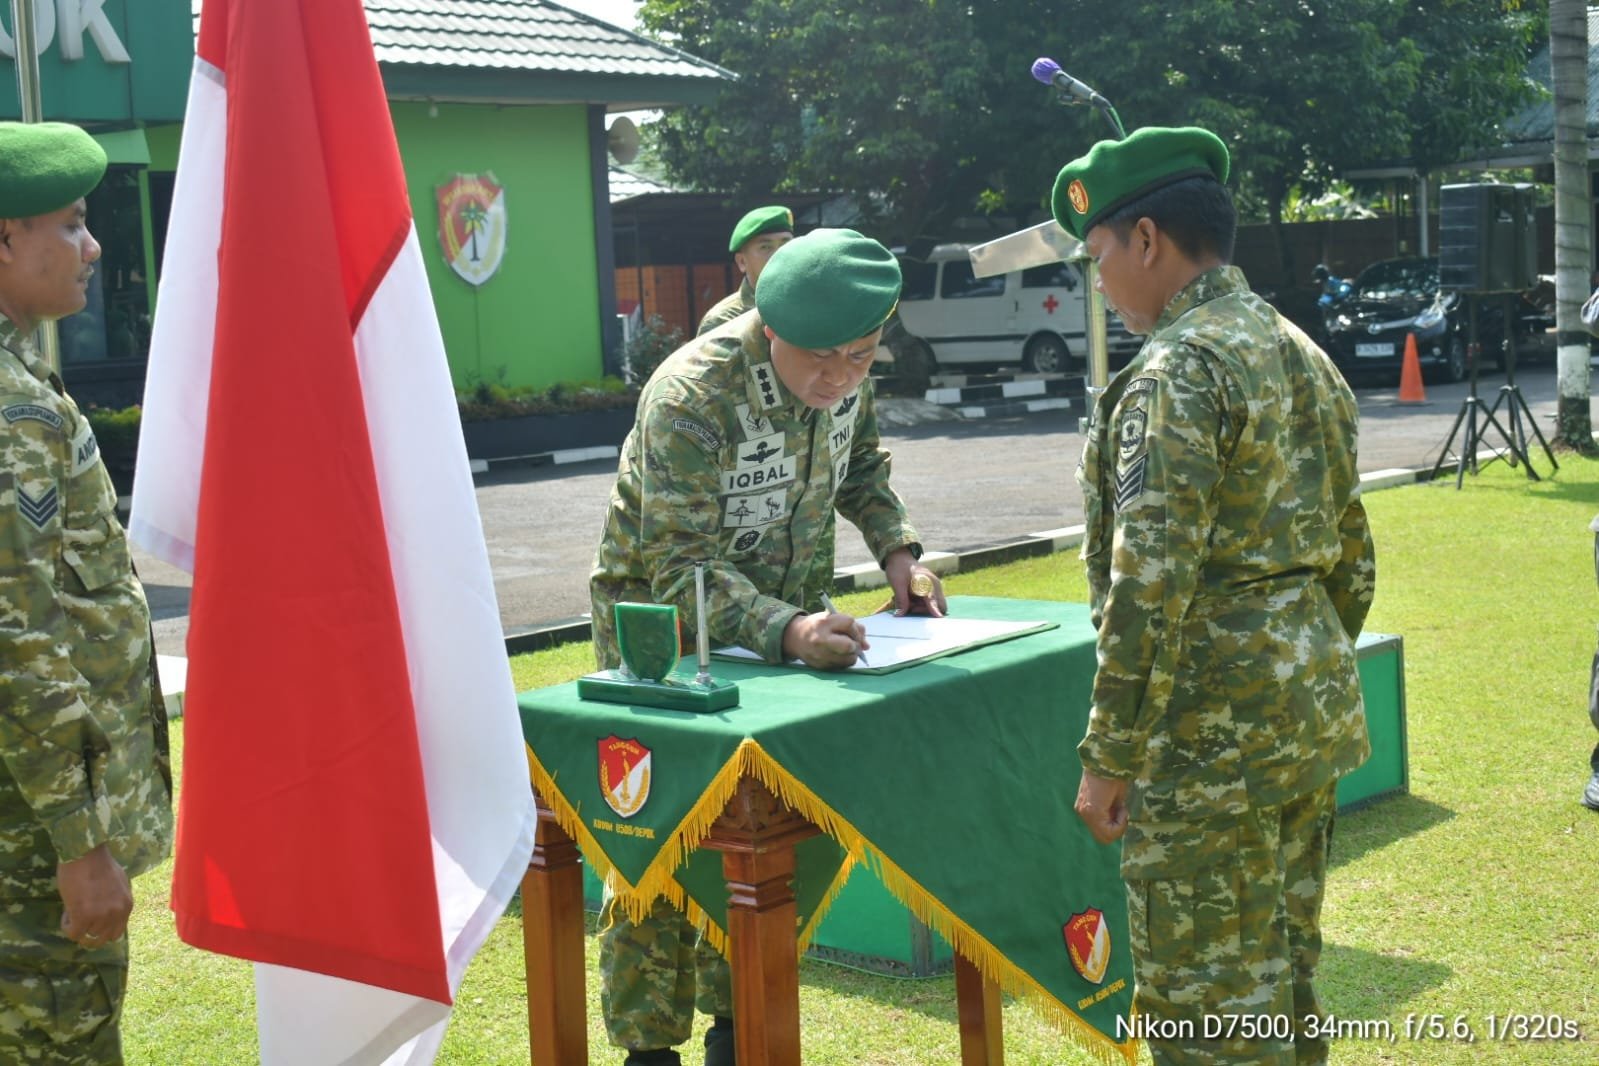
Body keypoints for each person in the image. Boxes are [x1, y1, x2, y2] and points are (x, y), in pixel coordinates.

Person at [1055, 127, 1375, 1065]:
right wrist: (1291, 664)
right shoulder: (1295, 349)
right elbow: (1351, 557)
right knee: (1284, 977)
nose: (1100, 283)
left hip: (1204, 741)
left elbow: (1145, 585)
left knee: (1205, 1020)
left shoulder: (1175, 370)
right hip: (1299, 714)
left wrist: (1108, 754)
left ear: (1145, 239)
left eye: (1099, 255)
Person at [591, 227, 945, 1066]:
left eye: (861, 358)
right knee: (659, 850)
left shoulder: (844, 377)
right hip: (666, 653)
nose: (841, 378)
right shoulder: (694, 393)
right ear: (771, 329)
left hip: (787, 644)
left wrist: (900, 555)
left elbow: (860, 468)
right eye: (823, 359)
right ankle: (647, 1049)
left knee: (762, 841)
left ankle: (737, 1026)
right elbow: (676, 566)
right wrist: (785, 629)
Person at [0, 122, 173, 1063]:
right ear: (3, 239)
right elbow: (16, 635)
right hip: (25, 850)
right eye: (70, 223)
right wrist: (79, 842)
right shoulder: (11, 412)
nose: (94, 246)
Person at [696, 205, 794, 336]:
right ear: (742, 262)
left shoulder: (813, 304)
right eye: (765, 247)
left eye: (786, 244)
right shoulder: (723, 321)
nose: (778, 254)